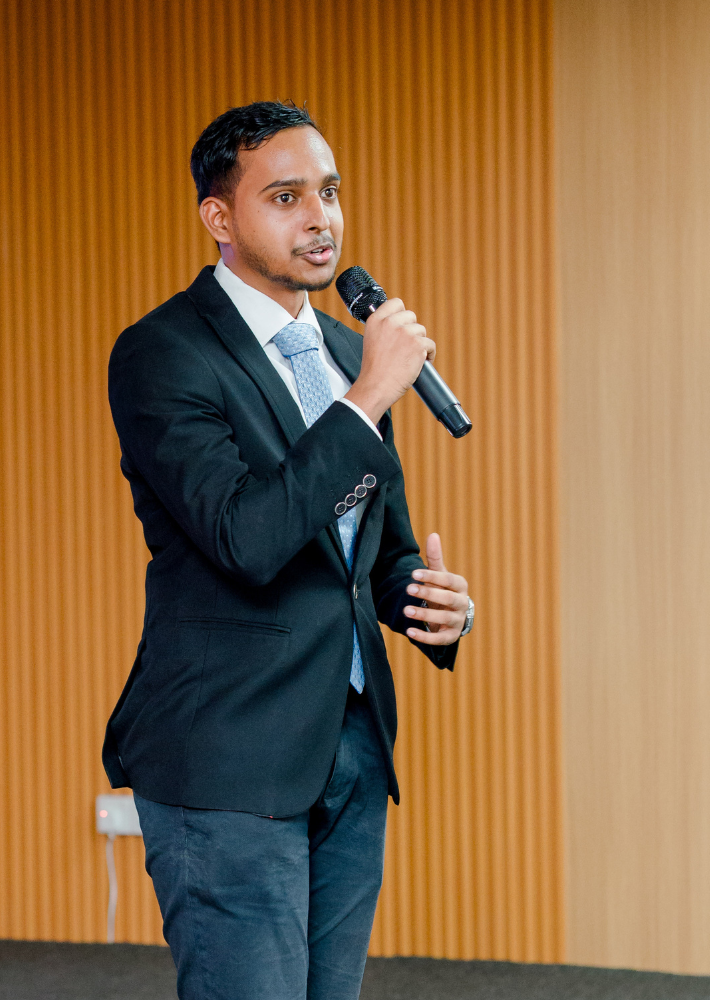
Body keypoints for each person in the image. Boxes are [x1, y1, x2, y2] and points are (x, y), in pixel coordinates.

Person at [102, 101, 473, 1000]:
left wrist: (427, 602)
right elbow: (248, 538)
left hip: (349, 748)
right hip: (227, 756)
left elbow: (368, 554)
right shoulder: (163, 354)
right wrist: (368, 397)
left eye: (330, 192)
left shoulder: (347, 351)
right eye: (286, 197)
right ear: (220, 217)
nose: (320, 218)